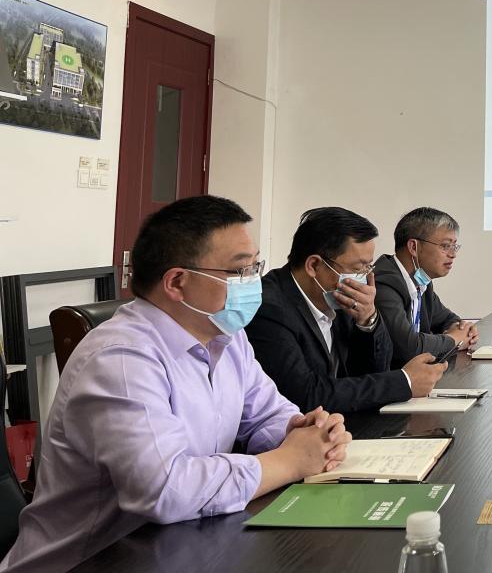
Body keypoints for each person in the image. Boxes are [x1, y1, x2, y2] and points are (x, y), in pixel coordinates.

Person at [0, 196, 351, 573]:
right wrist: (288, 460)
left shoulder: (227, 337)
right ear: (177, 282)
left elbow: (267, 414)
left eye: (255, 267)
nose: (253, 283)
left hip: (174, 547)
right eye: (239, 271)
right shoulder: (121, 358)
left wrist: (306, 433)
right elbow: (165, 490)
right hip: (88, 561)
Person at [246, 206, 446, 414]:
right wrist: (404, 382)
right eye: (358, 268)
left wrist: (368, 320)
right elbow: (305, 395)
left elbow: (375, 370)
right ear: (313, 265)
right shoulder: (269, 308)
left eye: (368, 267)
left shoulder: (339, 296)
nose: (365, 277)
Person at [373, 206, 478, 367]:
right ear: (414, 247)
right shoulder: (383, 284)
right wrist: (454, 339)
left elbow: (447, 319)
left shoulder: (421, 280)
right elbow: (408, 348)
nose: (453, 254)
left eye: (454, 246)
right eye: (445, 246)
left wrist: (462, 329)